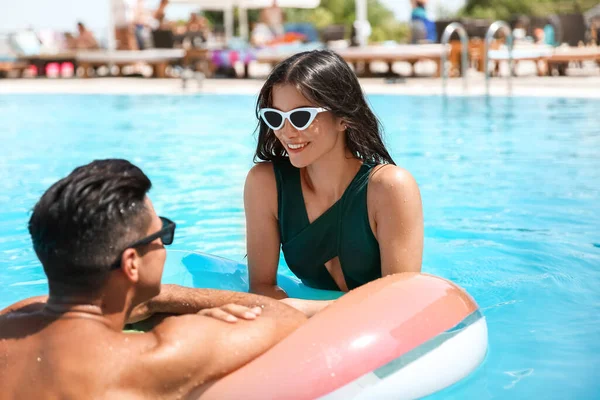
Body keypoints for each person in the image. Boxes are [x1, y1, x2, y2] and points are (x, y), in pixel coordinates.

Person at [0, 159, 306, 398]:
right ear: (131, 264)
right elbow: (282, 318)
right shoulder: (154, 355)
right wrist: (166, 297)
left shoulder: (9, 327)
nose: (164, 245)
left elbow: (41, 307)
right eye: (162, 234)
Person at [244, 50, 424, 314]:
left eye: (301, 116)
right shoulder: (265, 184)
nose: (286, 131)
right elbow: (261, 286)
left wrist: (302, 309)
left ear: (343, 118)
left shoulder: (389, 188)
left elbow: (398, 303)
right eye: (275, 117)